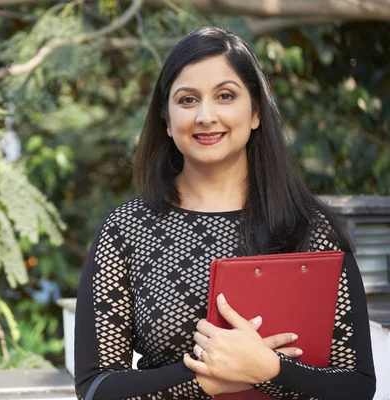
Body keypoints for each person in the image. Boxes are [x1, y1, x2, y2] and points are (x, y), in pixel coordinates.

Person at [73, 26, 376, 399]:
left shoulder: (310, 228)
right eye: (187, 100)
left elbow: (357, 386)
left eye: (225, 96)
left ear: (255, 113)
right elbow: (95, 387)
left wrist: (269, 370)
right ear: (166, 121)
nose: (205, 115)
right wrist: (203, 379)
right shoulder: (126, 229)